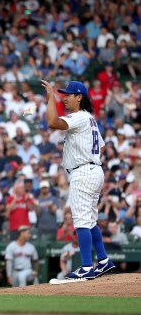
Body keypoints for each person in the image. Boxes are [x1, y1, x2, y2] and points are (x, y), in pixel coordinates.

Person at [41, 79, 114, 280]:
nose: (64, 98)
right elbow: (102, 146)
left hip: (83, 172)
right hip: (93, 170)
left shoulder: (80, 116)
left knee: (82, 221)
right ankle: (104, 260)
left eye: (68, 95)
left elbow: (52, 122)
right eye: (63, 94)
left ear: (79, 97)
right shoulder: (90, 119)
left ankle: (86, 267)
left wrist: (50, 97)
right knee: (90, 220)